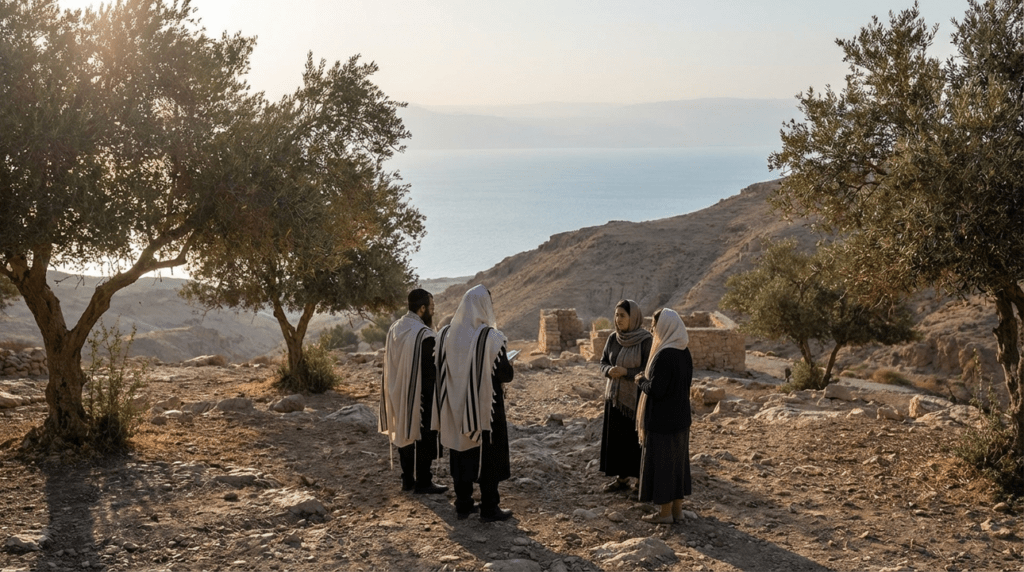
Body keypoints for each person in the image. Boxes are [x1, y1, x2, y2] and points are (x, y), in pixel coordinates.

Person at [432, 285, 515, 522]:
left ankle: (463, 504)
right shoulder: (491, 337)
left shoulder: (446, 334)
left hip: (454, 407)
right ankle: (490, 507)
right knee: (488, 455)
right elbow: (504, 374)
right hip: (484, 409)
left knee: (460, 452)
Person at [378, 289, 448, 495]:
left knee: (403, 432)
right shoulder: (424, 335)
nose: (433, 313)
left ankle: (407, 479)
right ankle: (424, 481)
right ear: (422, 308)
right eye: (432, 308)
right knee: (424, 435)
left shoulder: (396, 327)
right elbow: (430, 372)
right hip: (420, 394)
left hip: (396, 389)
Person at [634, 308, 693, 524]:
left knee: (663, 466)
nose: (651, 328)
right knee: (677, 465)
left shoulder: (664, 355)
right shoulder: (684, 351)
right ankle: (677, 512)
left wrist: (640, 380)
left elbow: (656, 389)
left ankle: (664, 514)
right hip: (681, 419)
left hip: (662, 421)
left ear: (665, 327)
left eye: (654, 324)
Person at [598, 299, 653, 493]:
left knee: (634, 440)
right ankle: (621, 480)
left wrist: (626, 373)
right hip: (614, 397)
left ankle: (639, 481)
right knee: (617, 438)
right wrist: (609, 371)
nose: (618, 319)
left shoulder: (646, 340)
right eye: (616, 315)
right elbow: (603, 361)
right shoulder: (613, 338)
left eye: (623, 315)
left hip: (636, 398)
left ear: (634, 317)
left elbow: (647, 369)